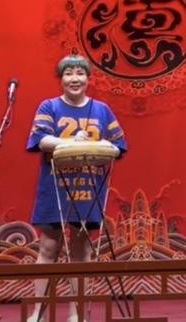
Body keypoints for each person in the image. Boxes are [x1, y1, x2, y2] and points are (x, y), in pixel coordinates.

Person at [26, 54, 127, 322]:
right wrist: (71, 142)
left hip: (88, 191)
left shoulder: (101, 110)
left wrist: (101, 146)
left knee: (82, 252)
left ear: (88, 78)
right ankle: (38, 313)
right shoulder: (49, 106)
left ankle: (76, 314)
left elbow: (118, 146)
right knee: (48, 248)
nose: (74, 79)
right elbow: (41, 140)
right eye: (68, 73)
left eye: (80, 73)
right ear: (61, 79)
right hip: (55, 189)